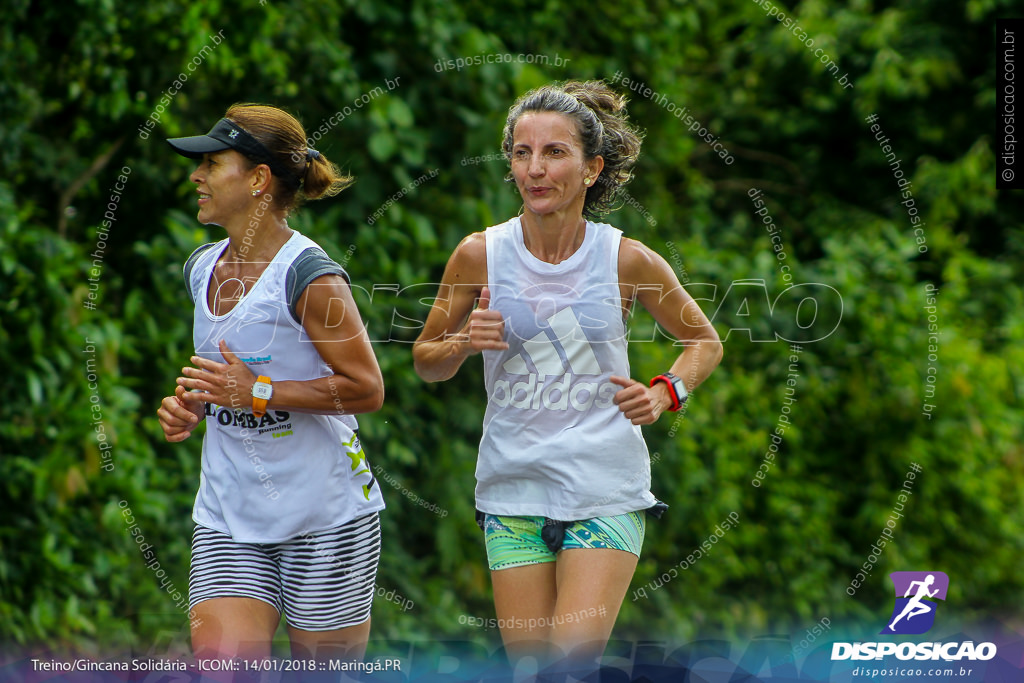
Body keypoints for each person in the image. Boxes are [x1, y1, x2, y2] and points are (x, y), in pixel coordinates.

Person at [412, 81, 723, 669]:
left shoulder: (625, 259)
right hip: (512, 483)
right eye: (522, 152)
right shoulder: (479, 255)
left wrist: (665, 394)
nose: (535, 168)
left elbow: (703, 342)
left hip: (603, 484)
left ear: (591, 168)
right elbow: (426, 361)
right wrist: (461, 341)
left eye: (555, 152)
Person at [156, 104, 385, 663]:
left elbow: (366, 389)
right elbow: (226, 372)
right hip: (229, 515)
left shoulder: (310, 276)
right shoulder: (201, 268)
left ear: (258, 179)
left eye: (212, 164)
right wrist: (192, 404)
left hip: (327, 516)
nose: (197, 176)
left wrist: (258, 393)